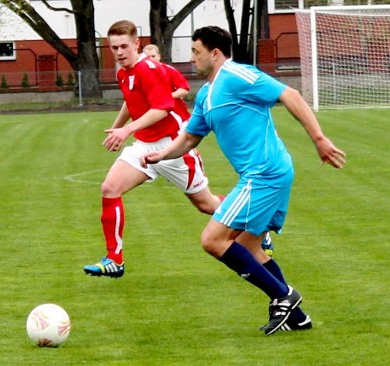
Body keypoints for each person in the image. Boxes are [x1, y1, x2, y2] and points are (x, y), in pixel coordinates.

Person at [141, 26, 346, 335]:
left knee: (213, 240)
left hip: (264, 173)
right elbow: (190, 138)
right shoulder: (207, 95)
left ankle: (283, 295)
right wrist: (161, 155)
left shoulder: (237, 75)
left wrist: (319, 139)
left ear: (215, 53)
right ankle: (297, 317)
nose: (191, 58)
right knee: (248, 247)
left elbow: (288, 94)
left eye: (196, 52)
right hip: (263, 174)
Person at [83, 21, 272, 279]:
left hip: (173, 146)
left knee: (206, 204)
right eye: (113, 47)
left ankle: (258, 224)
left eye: (124, 46)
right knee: (110, 188)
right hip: (144, 146)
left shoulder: (148, 69)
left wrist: (125, 131)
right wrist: (116, 128)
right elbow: (131, 102)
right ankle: (115, 260)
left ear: (136, 43)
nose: (118, 52)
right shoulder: (123, 73)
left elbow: (161, 108)